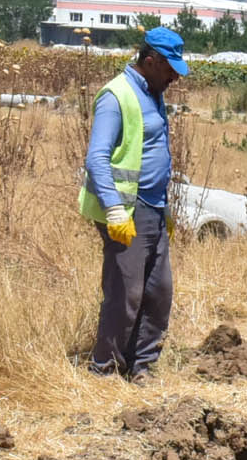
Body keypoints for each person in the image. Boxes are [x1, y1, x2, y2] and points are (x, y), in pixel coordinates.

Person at [79, 26, 186, 379]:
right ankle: (105, 370)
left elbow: (150, 153)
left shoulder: (153, 94)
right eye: (169, 69)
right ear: (151, 61)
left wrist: (164, 207)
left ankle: (143, 369)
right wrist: (113, 210)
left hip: (153, 207)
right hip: (127, 210)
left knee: (159, 292)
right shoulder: (116, 95)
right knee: (126, 293)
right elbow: (97, 158)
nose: (174, 77)